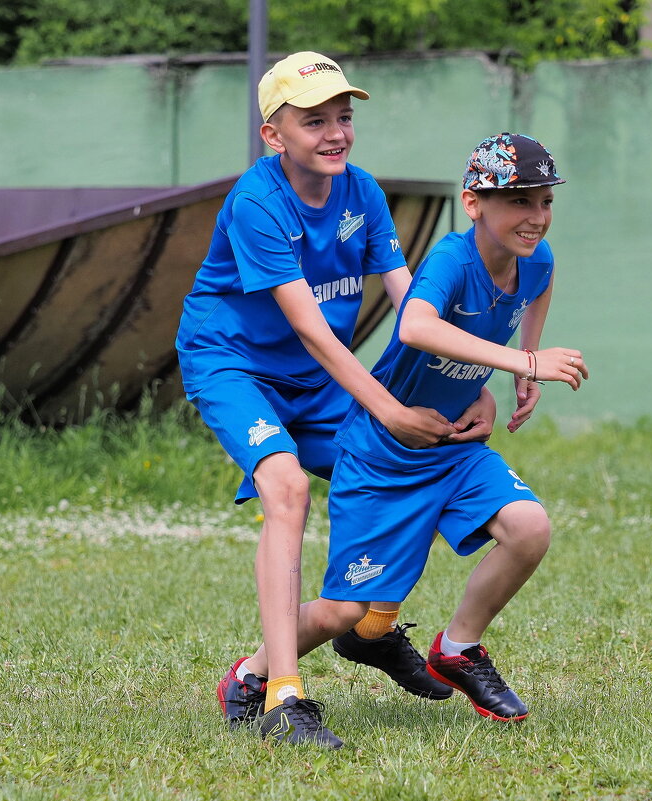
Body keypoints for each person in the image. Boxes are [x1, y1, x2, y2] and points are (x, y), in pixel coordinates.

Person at [175, 53, 517, 748]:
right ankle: (281, 695)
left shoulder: (361, 192)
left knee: (413, 457)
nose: (335, 133)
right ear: (274, 135)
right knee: (288, 487)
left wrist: (469, 385)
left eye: (343, 117)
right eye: (314, 121)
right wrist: (387, 411)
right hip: (236, 366)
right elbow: (311, 328)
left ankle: (371, 629)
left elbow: (415, 306)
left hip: (313, 376)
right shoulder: (256, 204)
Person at [280, 132, 588, 748]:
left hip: (455, 447)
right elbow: (417, 327)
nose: (536, 216)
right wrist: (525, 358)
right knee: (344, 612)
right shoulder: (452, 258)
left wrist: (515, 375)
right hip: (384, 455)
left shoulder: (539, 258)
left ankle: (459, 647)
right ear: (473, 203)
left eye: (545, 201)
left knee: (529, 528)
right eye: (518, 201)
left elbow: (537, 290)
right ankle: (256, 671)